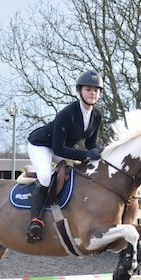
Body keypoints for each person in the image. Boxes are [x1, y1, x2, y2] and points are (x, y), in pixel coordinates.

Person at [24, 70, 104, 243]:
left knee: (76, 175)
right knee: (45, 177)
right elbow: (59, 149)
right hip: (41, 145)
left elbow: (91, 143)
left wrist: (96, 153)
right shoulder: (67, 114)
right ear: (80, 91)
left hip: (60, 148)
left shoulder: (97, 115)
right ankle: (35, 221)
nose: (92, 93)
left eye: (96, 90)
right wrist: (85, 155)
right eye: (88, 89)